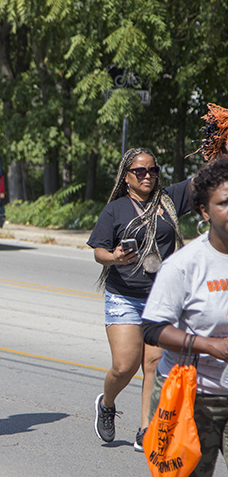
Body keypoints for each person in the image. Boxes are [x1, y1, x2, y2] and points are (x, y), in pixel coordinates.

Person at [87, 147, 190, 451]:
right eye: (140, 171)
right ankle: (106, 403)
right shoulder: (115, 209)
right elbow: (98, 252)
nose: (148, 176)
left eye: (153, 170)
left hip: (161, 298)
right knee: (125, 365)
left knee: (155, 362)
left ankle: (146, 428)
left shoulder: (169, 200)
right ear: (127, 176)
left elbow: (204, 181)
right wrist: (116, 257)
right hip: (124, 297)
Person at [142, 157, 228, 476]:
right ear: (205, 211)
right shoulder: (184, 265)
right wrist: (208, 345)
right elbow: (152, 329)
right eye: (224, 203)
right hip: (192, 397)